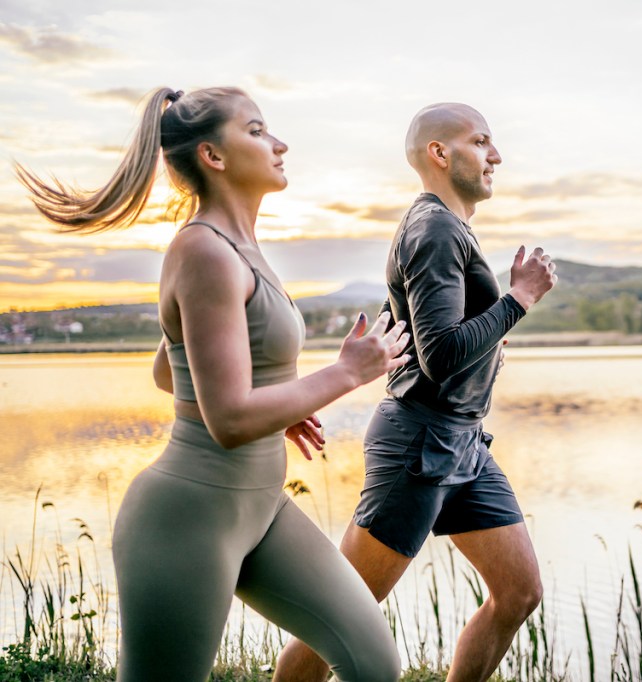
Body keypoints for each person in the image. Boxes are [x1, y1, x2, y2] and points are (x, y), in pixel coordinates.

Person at [16, 86, 409, 682]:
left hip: (261, 510)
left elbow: (166, 369)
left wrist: (278, 404)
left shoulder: (241, 249)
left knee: (374, 663)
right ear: (213, 156)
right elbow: (227, 422)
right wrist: (346, 372)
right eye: (256, 130)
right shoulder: (205, 251)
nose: (278, 143)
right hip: (188, 516)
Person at [275, 103, 557, 682]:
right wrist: (519, 300)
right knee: (342, 615)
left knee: (519, 593)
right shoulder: (434, 229)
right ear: (439, 153)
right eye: (481, 142)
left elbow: (411, 334)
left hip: (464, 444)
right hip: (418, 446)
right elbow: (442, 354)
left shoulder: (444, 228)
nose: (496, 156)